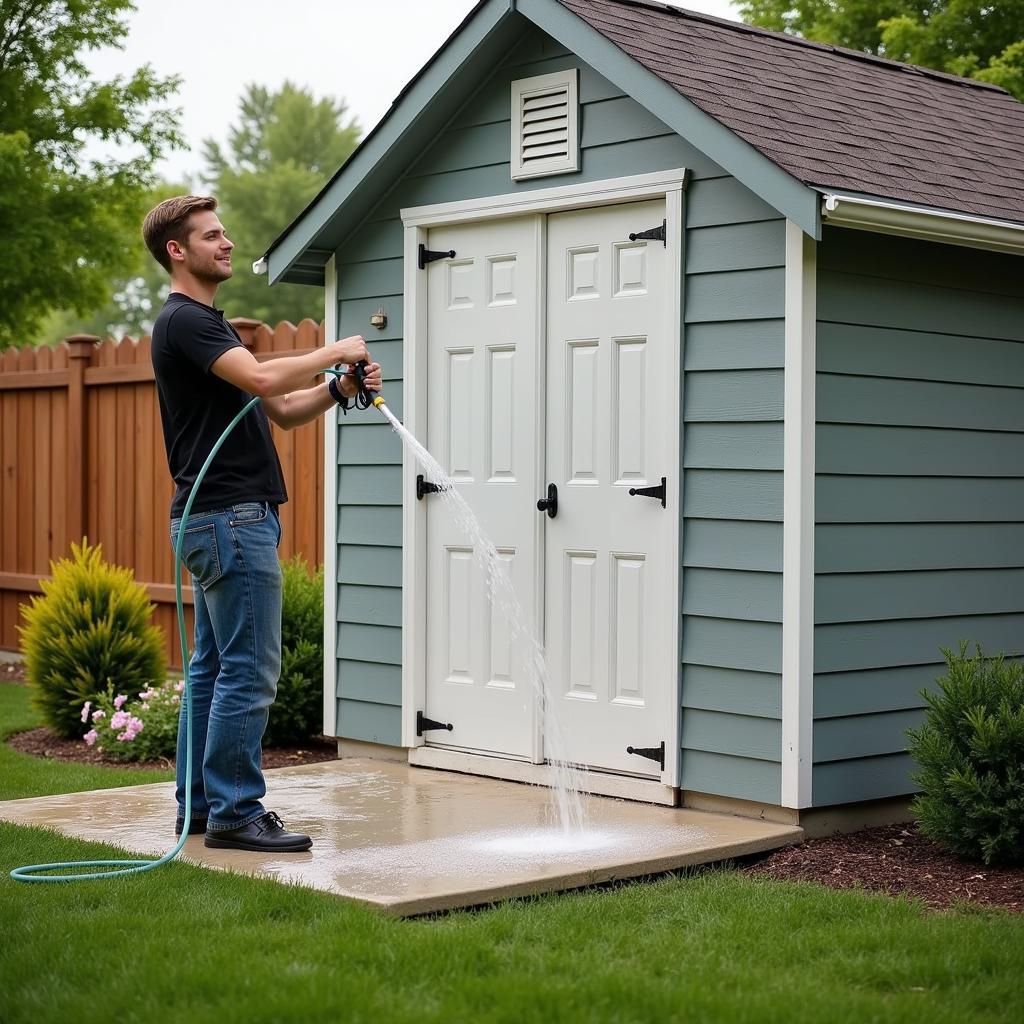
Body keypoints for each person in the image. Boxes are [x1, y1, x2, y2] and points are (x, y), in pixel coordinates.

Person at [142, 195, 381, 853]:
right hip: (230, 519)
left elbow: (279, 408)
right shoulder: (186, 321)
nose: (226, 243)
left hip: (218, 520)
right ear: (177, 250)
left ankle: (200, 809)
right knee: (249, 670)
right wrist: (332, 348)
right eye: (211, 236)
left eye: (225, 233)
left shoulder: (204, 327)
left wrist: (338, 389)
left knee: (215, 671)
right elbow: (260, 374)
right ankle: (236, 814)